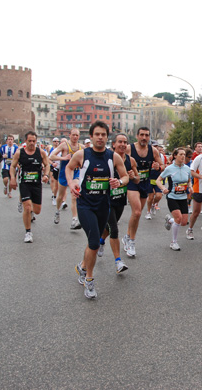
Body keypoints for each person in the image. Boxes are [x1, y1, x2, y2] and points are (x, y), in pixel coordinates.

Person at [68, 121, 129, 299]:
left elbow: (125, 176)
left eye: (103, 134)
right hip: (85, 204)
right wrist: (72, 182)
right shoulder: (82, 154)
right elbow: (69, 168)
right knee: (94, 241)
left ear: (107, 137)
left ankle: (82, 265)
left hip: (104, 205)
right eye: (97, 134)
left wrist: (119, 182)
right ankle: (89, 280)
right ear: (92, 136)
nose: (100, 137)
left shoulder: (113, 157)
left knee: (93, 242)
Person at [97, 133, 139, 274]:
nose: (122, 144)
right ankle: (118, 262)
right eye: (119, 142)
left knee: (108, 229)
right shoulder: (106, 157)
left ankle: (101, 241)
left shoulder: (130, 160)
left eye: (125, 142)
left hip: (120, 199)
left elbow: (137, 179)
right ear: (113, 144)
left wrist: (133, 177)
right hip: (106, 200)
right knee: (114, 229)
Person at [122, 127, 160, 257]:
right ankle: (132, 242)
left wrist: (158, 166)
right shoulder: (129, 149)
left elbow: (162, 165)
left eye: (147, 135)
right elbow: (118, 161)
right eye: (142, 135)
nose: (144, 137)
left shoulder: (153, 150)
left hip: (145, 183)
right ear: (137, 136)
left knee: (136, 214)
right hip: (132, 183)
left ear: (149, 137)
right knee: (137, 212)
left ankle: (127, 236)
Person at [8, 131, 50, 242]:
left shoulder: (41, 153)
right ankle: (28, 232)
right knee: (27, 206)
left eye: (34, 141)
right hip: (24, 183)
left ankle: (30, 211)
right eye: (29, 141)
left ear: (36, 142)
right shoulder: (19, 153)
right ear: (26, 141)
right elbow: (12, 166)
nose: (32, 143)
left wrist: (46, 175)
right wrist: (12, 178)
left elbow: (47, 165)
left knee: (37, 210)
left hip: (36, 184)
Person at [157, 148, 192, 250]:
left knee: (184, 222)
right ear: (175, 156)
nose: (183, 156)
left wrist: (190, 186)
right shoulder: (169, 168)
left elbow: (189, 181)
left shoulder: (187, 169)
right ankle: (174, 242)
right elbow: (158, 180)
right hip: (172, 197)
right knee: (178, 218)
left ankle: (170, 221)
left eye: (184, 154)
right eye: (181, 154)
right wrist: (163, 188)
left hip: (183, 197)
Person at [50, 128, 82, 229]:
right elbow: (51, 156)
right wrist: (64, 158)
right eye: (73, 135)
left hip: (76, 173)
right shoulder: (64, 145)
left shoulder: (82, 147)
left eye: (77, 135)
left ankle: (74, 220)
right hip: (64, 173)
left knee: (74, 195)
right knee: (60, 196)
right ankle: (57, 211)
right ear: (70, 135)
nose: (75, 137)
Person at [146, 142, 165, 220]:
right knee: (150, 196)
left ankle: (153, 205)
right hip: (149, 178)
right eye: (154, 146)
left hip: (158, 178)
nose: (156, 148)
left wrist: (160, 169)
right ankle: (148, 212)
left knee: (159, 196)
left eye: (157, 146)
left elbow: (164, 166)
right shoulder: (147, 155)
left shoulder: (161, 157)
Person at [0, 134, 18, 199]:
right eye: (9, 139)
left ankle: (9, 192)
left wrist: (14, 158)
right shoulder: (3, 147)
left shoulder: (16, 148)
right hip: (5, 166)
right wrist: (2, 156)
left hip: (13, 167)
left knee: (11, 180)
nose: (10, 141)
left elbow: (18, 157)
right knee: (5, 179)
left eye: (11, 139)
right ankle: (5, 186)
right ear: (7, 140)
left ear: (13, 140)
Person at [48, 137, 61, 206]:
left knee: (62, 185)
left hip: (62, 169)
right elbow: (48, 158)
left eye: (57, 141)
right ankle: (54, 194)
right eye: (55, 141)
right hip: (53, 167)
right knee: (53, 180)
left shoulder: (64, 150)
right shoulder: (52, 149)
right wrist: (52, 164)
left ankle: (63, 201)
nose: (56, 142)